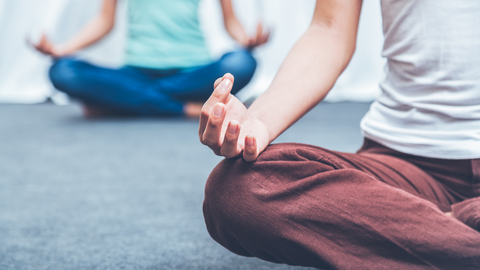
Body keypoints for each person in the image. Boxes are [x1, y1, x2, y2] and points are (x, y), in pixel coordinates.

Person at [199, 0, 480, 269]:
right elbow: (329, 28)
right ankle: (455, 230)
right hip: (404, 164)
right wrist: (257, 121)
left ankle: (440, 236)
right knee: (237, 191)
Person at [33, 0, 269, 118]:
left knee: (242, 62)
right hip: (136, 71)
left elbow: (231, 22)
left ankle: (119, 101)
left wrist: (246, 40)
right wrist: (63, 49)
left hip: (194, 73)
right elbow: (104, 22)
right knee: (62, 71)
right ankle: (184, 108)